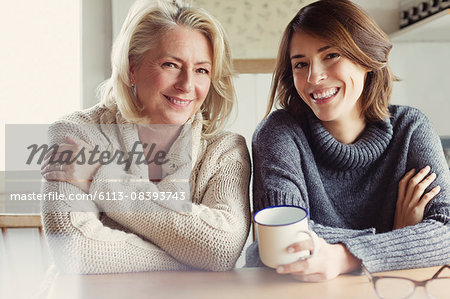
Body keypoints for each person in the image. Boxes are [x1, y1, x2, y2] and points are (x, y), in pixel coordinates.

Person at [40, 0, 251, 274]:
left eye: (201, 70)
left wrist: (99, 177)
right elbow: (74, 250)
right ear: (132, 68)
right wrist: (190, 258)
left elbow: (222, 247)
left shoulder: (226, 149)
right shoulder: (75, 134)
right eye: (171, 64)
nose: (187, 84)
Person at [246, 0, 450, 281]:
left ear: (366, 58)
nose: (313, 77)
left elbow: (447, 232)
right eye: (301, 64)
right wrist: (399, 237)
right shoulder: (280, 133)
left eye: (330, 55)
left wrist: (343, 255)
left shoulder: (412, 129)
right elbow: (283, 243)